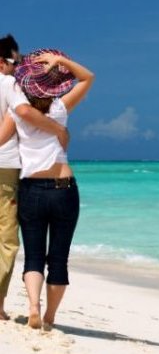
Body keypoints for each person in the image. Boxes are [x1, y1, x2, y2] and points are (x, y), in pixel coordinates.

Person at [0, 48, 94, 329]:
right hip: (64, 188)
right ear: (56, 84)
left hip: (31, 189)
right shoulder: (60, 109)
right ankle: (51, 318)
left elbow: (0, 141)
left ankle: (33, 306)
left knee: (34, 257)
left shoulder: (17, 114)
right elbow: (88, 78)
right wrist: (61, 61)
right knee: (59, 258)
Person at [0, 35, 69, 321]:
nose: (19, 68)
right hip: (4, 167)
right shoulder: (8, 84)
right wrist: (57, 129)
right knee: (5, 238)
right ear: (2, 62)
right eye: (16, 62)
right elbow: (24, 112)